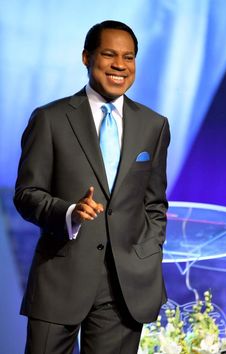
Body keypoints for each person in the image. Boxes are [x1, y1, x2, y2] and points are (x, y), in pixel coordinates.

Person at [14, 20, 170, 354]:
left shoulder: (153, 125)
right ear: (86, 57)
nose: (120, 65)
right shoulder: (50, 118)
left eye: (128, 58)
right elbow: (27, 194)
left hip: (125, 285)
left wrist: (149, 250)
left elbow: (154, 202)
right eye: (109, 54)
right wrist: (69, 212)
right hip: (61, 277)